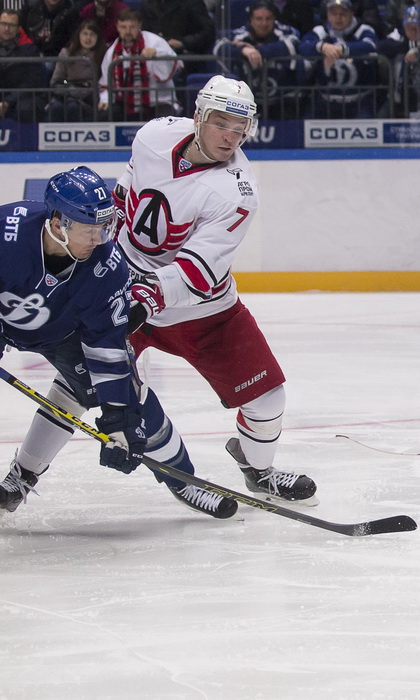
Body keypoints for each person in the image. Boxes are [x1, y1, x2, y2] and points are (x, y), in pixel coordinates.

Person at [112, 76, 317, 504]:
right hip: (123, 284)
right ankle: (23, 475)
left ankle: (258, 471)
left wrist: (148, 295)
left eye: (241, 126)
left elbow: (198, 270)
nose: (232, 135)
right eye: (223, 121)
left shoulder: (238, 189)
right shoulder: (153, 135)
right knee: (72, 385)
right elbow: (123, 194)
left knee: (267, 398)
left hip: (201, 310)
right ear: (199, 117)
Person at [0, 166, 237, 519]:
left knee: (133, 402)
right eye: (90, 229)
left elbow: (106, 345)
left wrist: (118, 419)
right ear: (57, 224)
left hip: (66, 334)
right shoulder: (7, 235)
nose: (100, 238)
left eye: (104, 226)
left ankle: (185, 481)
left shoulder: (107, 267)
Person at [213, 0, 301, 118]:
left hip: (284, 99)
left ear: (274, 19)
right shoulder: (241, 34)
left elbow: (293, 45)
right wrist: (243, 50)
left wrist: (254, 50)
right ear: (251, 20)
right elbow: (218, 48)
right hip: (248, 100)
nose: (264, 23)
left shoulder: (286, 31)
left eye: (268, 18)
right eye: (259, 19)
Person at [98, 8, 183, 121]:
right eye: (123, 27)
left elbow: (178, 63)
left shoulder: (154, 41)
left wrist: (157, 54)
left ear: (139, 26)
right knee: (105, 116)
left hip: (159, 101)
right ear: (117, 27)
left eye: (132, 27)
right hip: (126, 104)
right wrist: (105, 100)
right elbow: (105, 83)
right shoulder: (112, 52)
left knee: (165, 120)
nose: (128, 31)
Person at [299, 0, 380, 118]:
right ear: (327, 15)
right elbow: (303, 46)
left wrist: (343, 49)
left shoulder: (363, 30)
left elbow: (371, 45)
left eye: (342, 14)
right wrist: (322, 47)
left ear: (351, 14)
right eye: (334, 14)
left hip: (360, 100)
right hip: (325, 101)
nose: (338, 18)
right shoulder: (321, 31)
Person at [46, 20, 105, 121]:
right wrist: (70, 90)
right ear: (79, 35)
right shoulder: (66, 53)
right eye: (85, 34)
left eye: (92, 34)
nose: (88, 38)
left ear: (97, 37)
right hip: (66, 94)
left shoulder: (103, 54)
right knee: (56, 107)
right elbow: (56, 80)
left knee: (73, 107)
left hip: (88, 98)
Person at [0, 7, 45, 122]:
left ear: (18, 28)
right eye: (3, 23)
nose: (6, 28)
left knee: (26, 109)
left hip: (23, 96)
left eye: (11, 25)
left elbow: (32, 82)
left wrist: (8, 101)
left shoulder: (29, 50)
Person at [138, 0, 215, 56]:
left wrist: (183, 43)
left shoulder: (192, 2)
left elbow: (208, 32)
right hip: (154, 54)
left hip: (185, 55)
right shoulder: (147, 4)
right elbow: (144, 32)